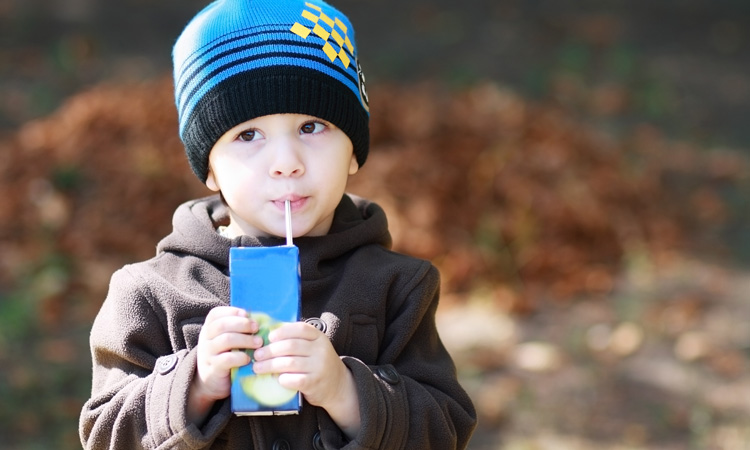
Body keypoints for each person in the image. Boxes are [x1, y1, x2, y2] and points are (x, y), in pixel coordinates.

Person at [78, 0, 477, 448]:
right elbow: (105, 434)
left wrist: (345, 391)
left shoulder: (398, 287)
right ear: (209, 168)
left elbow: (445, 428)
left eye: (312, 126)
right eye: (247, 135)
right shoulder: (148, 294)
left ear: (353, 151)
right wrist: (195, 384)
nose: (286, 163)